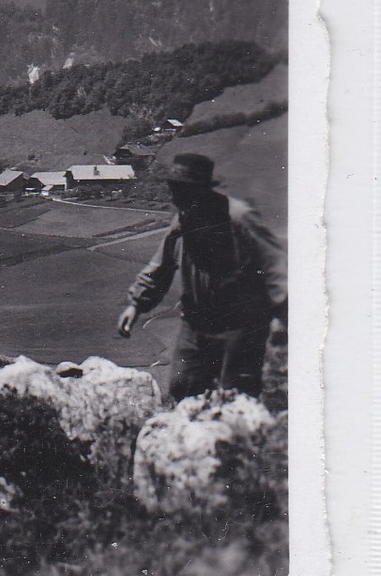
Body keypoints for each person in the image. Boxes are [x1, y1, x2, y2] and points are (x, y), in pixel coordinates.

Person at [116, 152, 286, 401]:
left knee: (235, 397)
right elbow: (161, 265)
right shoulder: (182, 221)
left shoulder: (238, 217)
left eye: (181, 189)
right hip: (195, 324)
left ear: (200, 190)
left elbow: (274, 267)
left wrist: (282, 315)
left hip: (238, 326)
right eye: (173, 188)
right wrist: (136, 304)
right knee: (182, 387)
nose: (174, 196)